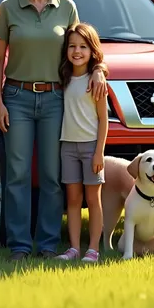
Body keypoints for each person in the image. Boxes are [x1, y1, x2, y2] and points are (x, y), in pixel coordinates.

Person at [0, 0, 107, 262]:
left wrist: (100, 71)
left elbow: (85, 48)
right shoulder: (8, 8)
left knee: (52, 174)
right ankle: (18, 245)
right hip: (16, 98)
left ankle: (47, 243)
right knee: (16, 173)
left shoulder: (67, 7)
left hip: (56, 99)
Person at [55, 23, 108, 264]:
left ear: (92, 50)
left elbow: (103, 120)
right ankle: (74, 248)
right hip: (68, 147)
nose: (77, 51)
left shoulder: (96, 81)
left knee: (93, 200)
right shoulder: (63, 78)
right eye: (72, 46)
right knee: (73, 201)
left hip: (90, 148)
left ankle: (93, 249)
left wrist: (99, 153)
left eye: (83, 47)